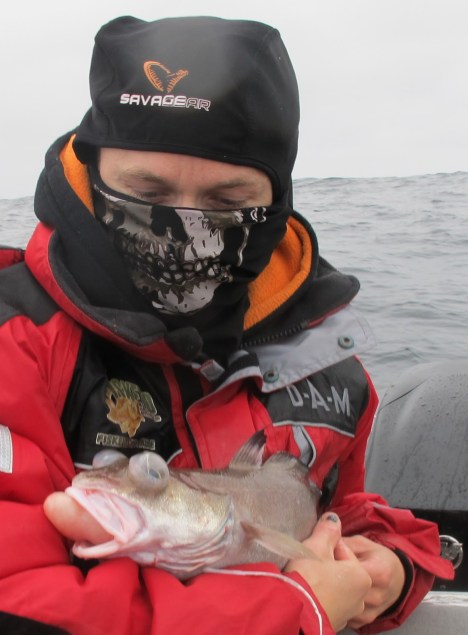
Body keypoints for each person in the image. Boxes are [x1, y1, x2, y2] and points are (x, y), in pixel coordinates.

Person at [0, 15, 453, 635]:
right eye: (147, 191)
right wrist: (296, 609)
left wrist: (393, 567)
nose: (184, 228)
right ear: (92, 171)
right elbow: (19, 599)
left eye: (228, 203)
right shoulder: (17, 341)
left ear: (275, 200)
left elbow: (341, 513)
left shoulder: (326, 359)